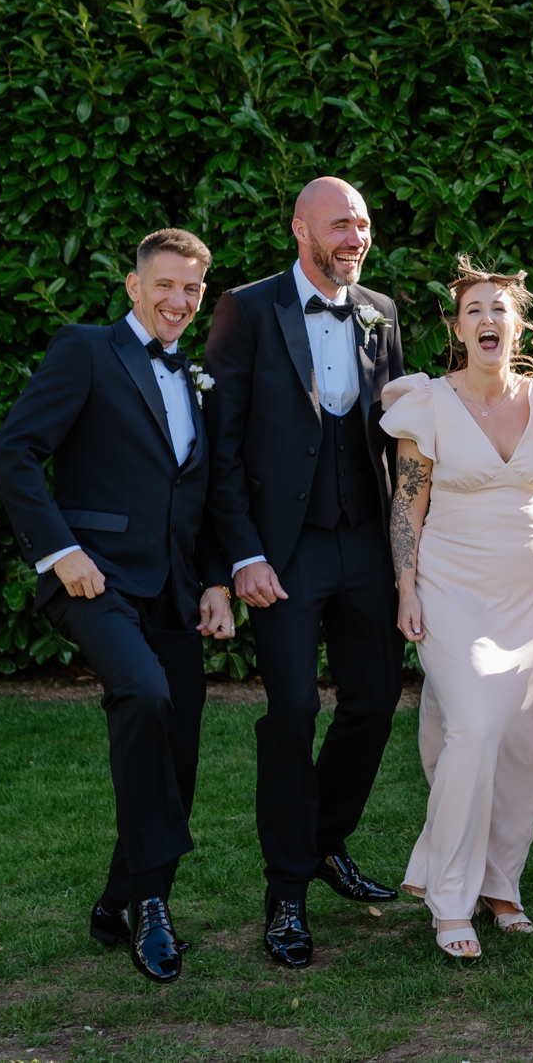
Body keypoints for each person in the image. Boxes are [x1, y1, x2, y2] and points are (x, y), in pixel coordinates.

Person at [0, 229, 236, 983]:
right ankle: (151, 906)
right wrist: (60, 550)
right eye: (165, 285)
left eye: (191, 289)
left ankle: (115, 898)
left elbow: (201, 490)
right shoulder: (86, 350)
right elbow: (14, 451)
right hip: (92, 578)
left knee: (179, 747)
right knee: (143, 694)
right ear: (134, 286)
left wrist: (215, 580)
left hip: (175, 589)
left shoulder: (199, 374)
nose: (178, 301)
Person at [202, 176, 408, 967]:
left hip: (365, 544)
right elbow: (221, 442)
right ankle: (286, 890)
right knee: (291, 710)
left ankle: (323, 840)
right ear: (300, 228)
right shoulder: (247, 309)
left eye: (363, 223)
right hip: (283, 550)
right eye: (340, 224)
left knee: (375, 700)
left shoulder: (380, 311)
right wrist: (242, 554)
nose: (355, 237)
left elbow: (396, 437)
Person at [382, 259, 533, 960]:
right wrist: (406, 587)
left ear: (517, 325)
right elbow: (407, 504)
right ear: (458, 328)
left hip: (532, 592)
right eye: (474, 310)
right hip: (451, 589)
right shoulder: (427, 404)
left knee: (525, 743)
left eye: (499, 308)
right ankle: (448, 897)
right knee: (471, 726)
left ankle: (502, 884)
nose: (487, 319)